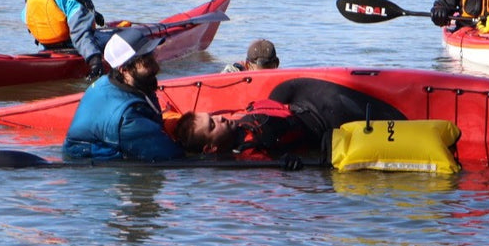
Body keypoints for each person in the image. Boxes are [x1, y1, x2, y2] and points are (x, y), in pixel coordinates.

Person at [174, 78, 406, 161]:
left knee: (284, 88)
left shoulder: (236, 126)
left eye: (214, 117)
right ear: (210, 147)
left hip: (300, 103)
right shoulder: (249, 155)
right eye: (213, 125)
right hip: (324, 125)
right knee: (337, 103)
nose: (221, 119)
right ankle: (405, 123)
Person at [62, 27, 183, 162]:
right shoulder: (127, 118)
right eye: (147, 62)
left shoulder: (118, 82)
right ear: (124, 69)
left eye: (152, 56)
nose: (157, 67)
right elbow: (171, 156)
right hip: (94, 166)